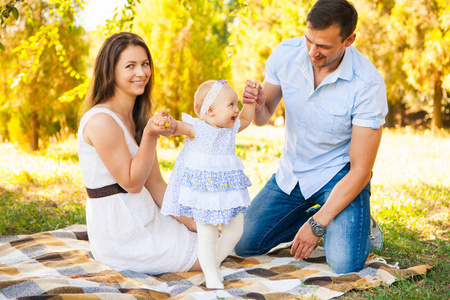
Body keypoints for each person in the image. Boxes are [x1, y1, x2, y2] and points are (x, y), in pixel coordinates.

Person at [234, 0, 388, 274]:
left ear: (349, 40)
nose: (312, 52)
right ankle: (330, 217)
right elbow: (262, 116)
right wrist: (257, 104)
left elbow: (361, 169)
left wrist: (318, 224)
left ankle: (357, 222)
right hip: (293, 172)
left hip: (340, 176)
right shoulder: (286, 54)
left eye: (324, 47)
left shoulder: (367, 83)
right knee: (244, 244)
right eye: (309, 41)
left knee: (344, 264)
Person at [77, 32, 201, 274]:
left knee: (215, 242)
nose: (141, 73)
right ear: (110, 71)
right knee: (209, 256)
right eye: (130, 66)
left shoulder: (137, 118)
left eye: (145, 64)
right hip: (120, 232)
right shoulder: (102, 120)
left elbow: (155, 184)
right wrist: (150, 136)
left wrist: (192, 222)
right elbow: (132, 183)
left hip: (145, 217)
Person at [155, 80, 256, 289]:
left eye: (236, 104)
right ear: (210, 110)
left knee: (235, 230)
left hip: (228, 191)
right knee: (208, 235)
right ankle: (210, 272)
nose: (236, 110)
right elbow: (177, 127)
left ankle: (212, 263)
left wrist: (251, 101)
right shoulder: (198, 128)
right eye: (231, 105)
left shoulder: (230, 128)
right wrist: (167, 123)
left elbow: (246, 117)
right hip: (204, 194)